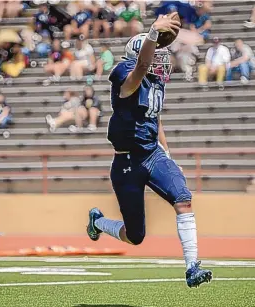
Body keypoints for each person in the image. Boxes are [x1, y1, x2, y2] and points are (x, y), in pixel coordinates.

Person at [86, 14, 212, 288]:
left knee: (183, 198)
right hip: (127, 163)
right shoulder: (125, 73)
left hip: (152, 154)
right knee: (135, 235)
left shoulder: (154, 80)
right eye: (155, 53)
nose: (160, 59)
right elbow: (141, 66)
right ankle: (98, 223)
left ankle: (192, 266)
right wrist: (153, 32)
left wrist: (166, 151)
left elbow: (154, 118)